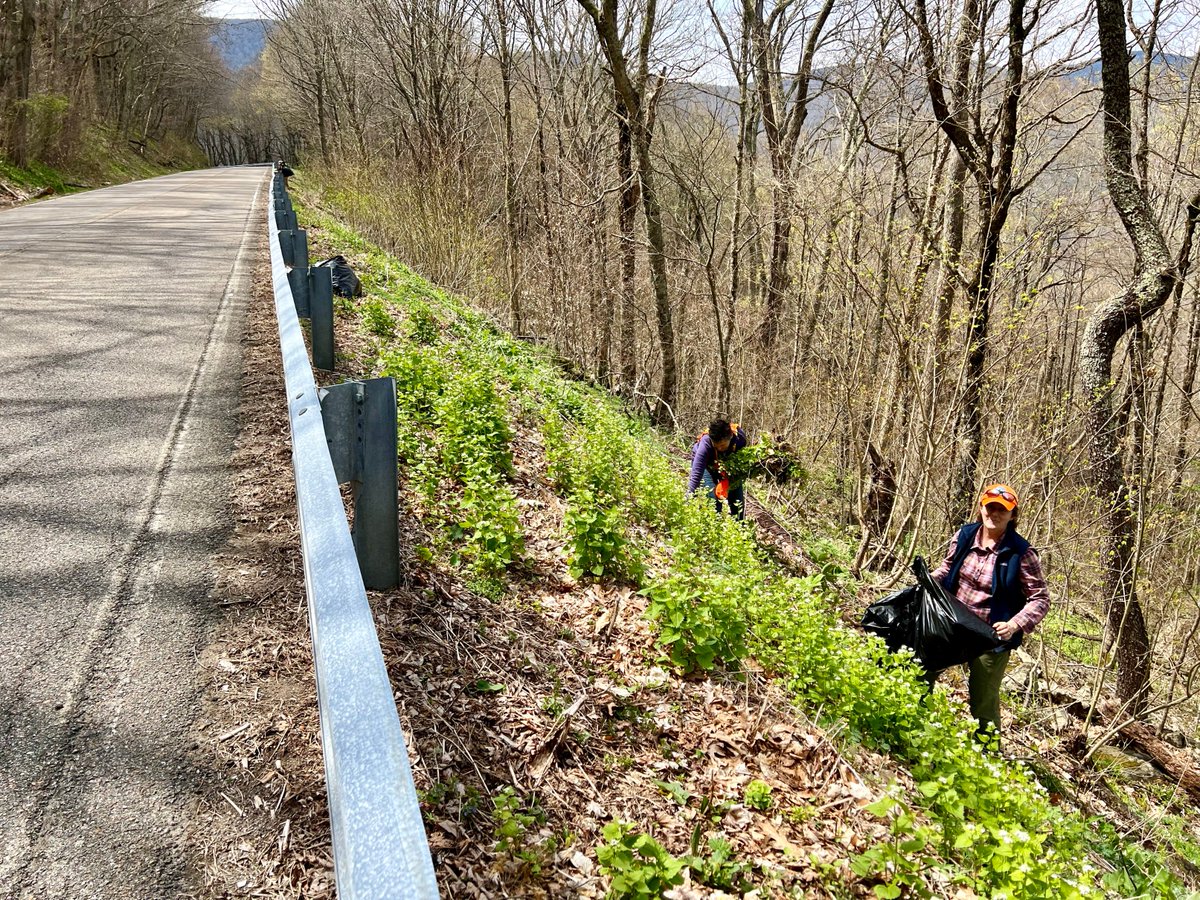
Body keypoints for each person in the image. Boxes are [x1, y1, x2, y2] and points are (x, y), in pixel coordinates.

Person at [928, 483, 1050, 745]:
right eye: (990, 507)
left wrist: (1015, 624)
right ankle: (914, 726)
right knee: (922, 667)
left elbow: (1040, 598)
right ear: (981, 508)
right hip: (952, 622)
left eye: (1001, 510)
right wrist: (927, 581)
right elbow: (947, 568)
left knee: (983, 699)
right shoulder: (964, 536)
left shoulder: (1021, 552)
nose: (994, 514)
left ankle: (986, 755)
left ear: (1012, 515)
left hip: (991, 635)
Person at [687, 419, 747, 520]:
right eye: (716, 446)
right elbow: (696, 474)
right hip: (706, 466)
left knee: (737, 501)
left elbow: (741, 463)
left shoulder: (740, 438)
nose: (719, 448)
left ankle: (739, 526)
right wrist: (689, 496)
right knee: (712, 499)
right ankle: (714, 524)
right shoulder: (705, 443)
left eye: (722, 445)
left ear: (730, 436)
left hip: (727, 464)